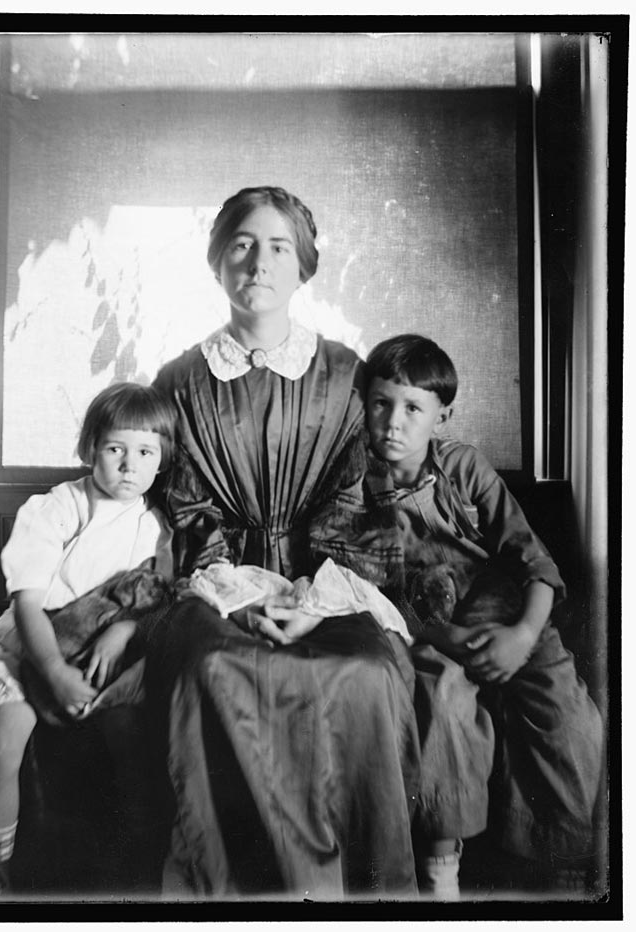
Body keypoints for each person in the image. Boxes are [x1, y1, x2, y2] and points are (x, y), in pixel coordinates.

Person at [149, 186, 421, 898]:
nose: (259, 262)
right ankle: (226, 892)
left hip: (326, 579)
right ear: (217, 264)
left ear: (302, 266)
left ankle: (359, 893)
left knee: (368, 673)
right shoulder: (180, 382)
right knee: (209, 667)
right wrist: (237, 598)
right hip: (219, 586)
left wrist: (315, 603)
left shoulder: (343, 374)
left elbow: (352, 499)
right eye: (242, 244)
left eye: (277, 247)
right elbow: (185, 506)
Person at [362, 333, 604, 891]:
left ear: (441, 415)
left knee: (568, 713)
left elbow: (534, 562)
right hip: (424, 629)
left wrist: (521, 635)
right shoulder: (355, 489)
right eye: (381, 403)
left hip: (505, 611)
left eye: (413, 408)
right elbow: (374, 593)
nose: (394, 422)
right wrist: (443, 639)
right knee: (441, 700)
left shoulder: (464, 468)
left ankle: (562, 866)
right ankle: (441, 868)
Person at [0, 382, 175, 895]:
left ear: (162, 461)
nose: (128, 466)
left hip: (98, 645)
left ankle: (135, 862)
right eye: (115, 449)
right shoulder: (56, 508)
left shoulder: (155, 526)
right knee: (7, 730)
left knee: (137, 729)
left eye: (145, 452)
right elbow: (28, 603)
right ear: (90, 448)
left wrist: (123, 630)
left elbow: (155, 597)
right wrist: (52, 670)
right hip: (28, 644)